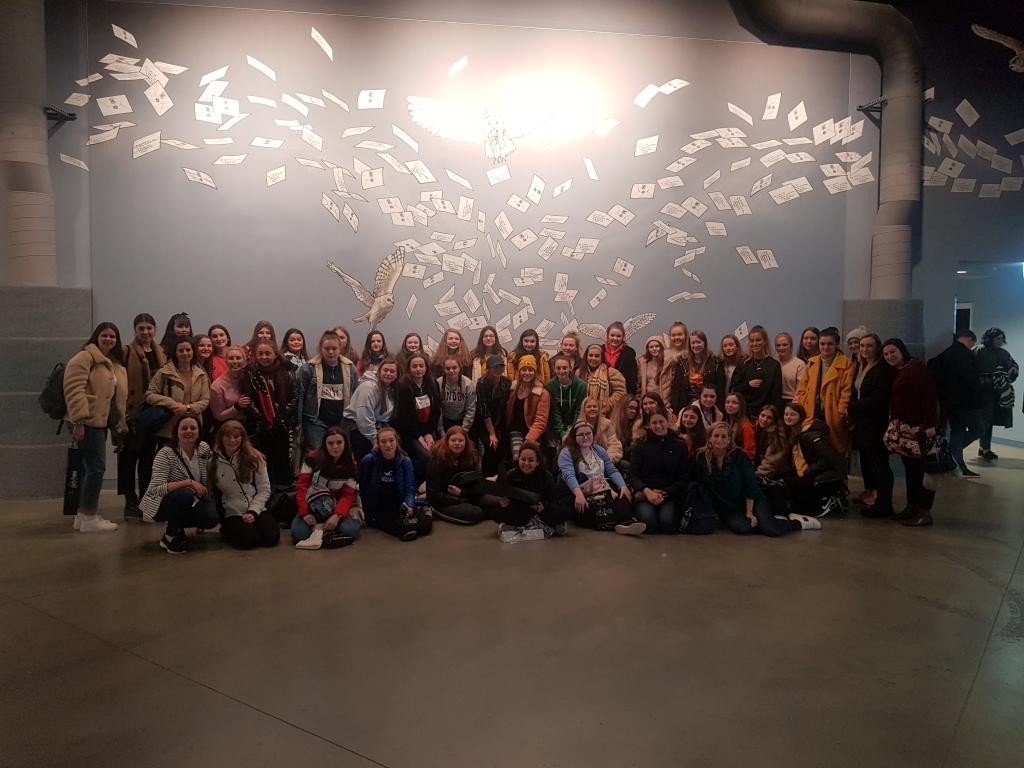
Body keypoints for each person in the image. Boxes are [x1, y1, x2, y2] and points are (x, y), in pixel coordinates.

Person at [692, 422, 820, 536]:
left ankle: (799, 523)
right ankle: (771, 519)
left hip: (752, 500)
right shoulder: (700, 457)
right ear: (709, 438)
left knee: (772, 530)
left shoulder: (739, 456)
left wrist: (749, 512)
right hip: (728, 508)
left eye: (724, 436)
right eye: (716, 436)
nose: (720, 439)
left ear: (729, 439)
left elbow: (750, 485)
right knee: (743, 528)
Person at [64, 322, 128, 533]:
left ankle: (82, 515)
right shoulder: (84, 357)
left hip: (99, 423)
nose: (109, 339)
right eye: (104, 335)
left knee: (90, 468)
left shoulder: (110, 363)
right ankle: (89, 516)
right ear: (96, 337)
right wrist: (79, 421)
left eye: (112, 336)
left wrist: (118, 428)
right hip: (86, 422)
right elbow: (73, 389)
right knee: (96, 468)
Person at [139, 415, 219, 553]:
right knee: (184, 494)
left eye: (193, 428)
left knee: (211, 518)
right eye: (184, 428)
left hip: (194, 499)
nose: (189, 431)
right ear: (176, 431)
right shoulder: (165, 453)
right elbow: (156, 489)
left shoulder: (203, 448)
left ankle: (178, 527)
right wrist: (188, 483)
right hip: (163, 502)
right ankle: (169, 537)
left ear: (199, 432)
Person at [883, 338, 940, 527]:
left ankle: (924, 511)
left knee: (923, 472)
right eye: (886, 354)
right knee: (911, 471)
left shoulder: (916, 368)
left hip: (920, 430)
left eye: (893, 352)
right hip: (905, 431)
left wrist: (930, 424)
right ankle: (911, 506)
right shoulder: (900, 370)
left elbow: (929, 397)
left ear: (902, 350)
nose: (890, 356)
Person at [557, 420, 644, 535]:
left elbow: (612, 470)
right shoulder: (566, 453)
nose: (585, 437)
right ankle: (617, 523)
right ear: (574, 436)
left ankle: (625, 522)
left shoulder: (599, 450)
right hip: (580, 491)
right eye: (581, 434)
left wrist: (622, 486)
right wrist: (578, 494)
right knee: (587, 512)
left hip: (602, 487)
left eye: (588, 434)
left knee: (623, 494)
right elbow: (569, 475)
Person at [119, 313, 166, 519]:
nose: (146, 332)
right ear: (135, 330)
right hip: (132, 413)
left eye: (149, 328)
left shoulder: (161, 352)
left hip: (154, 414)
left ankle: (146, 500)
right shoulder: (126, 351)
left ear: (155, 329)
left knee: (148, 459)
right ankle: (130, 500)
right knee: (128, 459)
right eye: (141, 328)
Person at [209, 420, 279, 550]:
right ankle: (227, 528)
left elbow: (264, 489)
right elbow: (212, 492)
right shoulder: (213, 461)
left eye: (236, 436)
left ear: (242, 438)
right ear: (220, 438)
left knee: (270, 538)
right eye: (227, 436)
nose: (232, 440)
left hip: (256, 506)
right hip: (231, 510)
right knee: (248, 540)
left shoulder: (255, 458)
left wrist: (254, 511)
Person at [847, 333, 895, 516]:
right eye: (862, 346)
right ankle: (873, 496)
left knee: (879, 464)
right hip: (863, 422)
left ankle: (884, 504)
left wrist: (851, 407)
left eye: (869, 346)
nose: (865, 349)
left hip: (876, 423)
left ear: (877, 348)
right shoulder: (862, 366)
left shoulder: (882, 369)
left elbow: (878, 398)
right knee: (867, 461)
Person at [238, 341, 296, 487]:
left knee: (282, 460)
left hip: (282, 424)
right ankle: (265, 491)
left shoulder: (287, 371)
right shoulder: (250, 374)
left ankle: (283, 491)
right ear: (255, 355)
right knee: (263, 462)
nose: (264, 357)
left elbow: (294, 396)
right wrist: (262, 419)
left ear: (275, 354)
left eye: (267, 353)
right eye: (260, 354)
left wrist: (281, 417)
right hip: (259, 426)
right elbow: (247, 401)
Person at [292, 427, 362, 547]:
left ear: (345, 444)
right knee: (299, 534)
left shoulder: (351, 465)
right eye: (330, 443)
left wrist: (337, 515)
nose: (335, 447)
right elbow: (301, 487)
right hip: (312, 506)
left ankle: (323, 529)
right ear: (325, 444)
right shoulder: (312, 459)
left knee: (351, 532)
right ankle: (326, 531)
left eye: (339, 442)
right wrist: (305, 513)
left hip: (336, 506)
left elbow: (347, 495)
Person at [358, 427, 431, 541]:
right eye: (383, 442)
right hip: (380, 506)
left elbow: (409, 488)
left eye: (391, 440)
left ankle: (412, 525)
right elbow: (363, 488)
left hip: (399, 503)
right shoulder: (369, 460)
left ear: (396, 441)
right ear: (378, 444)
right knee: (400, 527)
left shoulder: (405, 461)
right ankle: (407, 528)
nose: (388, 445)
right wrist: (367, 512)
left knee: (426, 525)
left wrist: (409, 505)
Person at [929, 331, 983, 477]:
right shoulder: (966, 355)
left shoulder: (944, 355)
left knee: (957, 431)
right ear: (970, 340)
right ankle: (952, 453)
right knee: (978, 429)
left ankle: (958, 465)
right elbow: (970, 380)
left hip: (949, 402)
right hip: (967, 402)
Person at [488, 442, 570, 537]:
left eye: (531, 460)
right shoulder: (511, 475)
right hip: (521, 512)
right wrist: (505, 504)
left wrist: (544, 507)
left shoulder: (546, 476)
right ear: (518, 459)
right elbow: (509, 501)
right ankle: (538, 526)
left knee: (566, 512)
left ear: (537, 462)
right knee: (495, 513)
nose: (526, 463)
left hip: (541, 513)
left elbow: (554, 501)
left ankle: (525, 526)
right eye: (523, 459)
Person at [296, 330, 359, 451]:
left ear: (340, 349)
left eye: (334, 348)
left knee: (339, 453)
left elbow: (356, 397)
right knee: (318, 453)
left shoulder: (351, 369)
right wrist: (299, 424)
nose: (330, 352)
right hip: (315, 422)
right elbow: (300, 397)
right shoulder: (308, 369)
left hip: (342, 422)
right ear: (321, 348)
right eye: (327, 348)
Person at [794, 326, 853, 454]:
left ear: (836, 344)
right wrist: (803, 406)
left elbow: (846, 391)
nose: (825, 347)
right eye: (822, 344)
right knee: (812, 450)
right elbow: (802, 388)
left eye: (830, 344)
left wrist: (840, 412)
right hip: (812, 413)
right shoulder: (812, 362)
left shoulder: (846, 364)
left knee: (834, 450)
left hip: (832, 413)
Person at [782, 403, 847, 517]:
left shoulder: (811, 435)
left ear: (801, 416)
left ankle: (828, 501)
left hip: (823, 474)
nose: (788, 417)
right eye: (786, 414)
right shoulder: (795, 432)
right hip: (810, 470)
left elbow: (829, 458)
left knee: (792, 484)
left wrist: (808, 471)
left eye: (792, 414)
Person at [630, 411, 689, 534]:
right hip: (646, 494)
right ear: (649, 425)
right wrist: (647, 491)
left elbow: (683, 477)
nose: (658, 426)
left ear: (668, 422)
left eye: (661, 421)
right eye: (654, 423)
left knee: (668, 524)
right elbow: (633, 476)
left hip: (669, 494)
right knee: (649, 524)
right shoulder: (640, 446)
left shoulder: (680, 445)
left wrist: (666, 492)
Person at [145, 335, 211, 442]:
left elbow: (205, 400)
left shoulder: (201, 374)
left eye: (188, 350)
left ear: (193, 351)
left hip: (192, 427)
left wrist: (187, 408)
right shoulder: (164, 372)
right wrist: (170, 403)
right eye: (181, 350)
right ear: (175, 353)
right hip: (168, 428)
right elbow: (150, 395)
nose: (185, 353)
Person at [390, 352, 442, 481]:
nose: (418, 369)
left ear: (426, 368)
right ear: (409, 368)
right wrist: (420, 436)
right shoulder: (403, 386)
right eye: (414, 366)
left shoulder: (432, 383)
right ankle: (413, 482)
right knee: (426, 457)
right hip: (410, 432)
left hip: (428, 429)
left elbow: (436, 410)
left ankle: (429, 484)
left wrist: (429, 433)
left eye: (421, 366)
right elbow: (404, 418)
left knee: (437, 455)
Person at [426, 426, 488, 524]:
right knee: (475, 513)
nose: (457, 443)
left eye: (461, 440)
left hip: (465, 495)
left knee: (493, 502)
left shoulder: (471, 457)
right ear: (447, 441)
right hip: (443, 502)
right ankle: (436, 512)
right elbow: (433, 495)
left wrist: (462, 493)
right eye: (453, 440)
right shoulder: (436, 460)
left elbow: (478, 485)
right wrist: (461, 499)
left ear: (466, 442)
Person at [975, 327, 1019, 461]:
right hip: (982, 392)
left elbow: (1013, 365)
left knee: (989, 420)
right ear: (990, 339)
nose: (1000, 341)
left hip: (998, 392)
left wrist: (1013, 370)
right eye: (997, 339)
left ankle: (984, 447)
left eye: (1001, 339)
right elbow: (971, 368)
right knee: (984, 420)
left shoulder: (1003, 353)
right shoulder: (979, 350)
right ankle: (984, 447)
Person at [345, 357, 399, 458]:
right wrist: (375, 440)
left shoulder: (391, 389)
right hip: (358, 427)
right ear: (379, 371)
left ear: (397, 375)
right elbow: (363, 418)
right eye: (385, 370)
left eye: (392, 371)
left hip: (378, 426)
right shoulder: (369, 387)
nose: (388, 373)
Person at [505, 355, 551, 460]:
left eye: (530, 370)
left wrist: (529, 440)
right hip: (515, 431)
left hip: (533, 432)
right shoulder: (513, 388)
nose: (527, 373)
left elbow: (541, 421)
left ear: (535, 372)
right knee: (517, 457)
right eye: (524, 370)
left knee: (529, 457)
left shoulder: (542, 393)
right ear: (519, 371)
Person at [472, 355, 512, 476]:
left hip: (500, 421)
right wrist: (492, 433)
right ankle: (487, 476)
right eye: (495, 367)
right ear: (488, 369)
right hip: (484, 422)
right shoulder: (481, 383)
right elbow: (483, 409)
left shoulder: (507, 382)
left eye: (501, 367)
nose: (498, 369)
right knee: (490, 446)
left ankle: (500, 478)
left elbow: (505, 408)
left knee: (503, 448)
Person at [730, 325, 782, 413]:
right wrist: (748, 385)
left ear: (765, 341)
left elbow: (776, 395)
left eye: (758, 340)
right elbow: (733, 389)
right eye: (752, 341)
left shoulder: (774, 365)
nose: (755, 343)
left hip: (765, 414)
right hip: (744, 412)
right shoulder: (743, 364)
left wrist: (773, 413)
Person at [669, 330, 723, 412]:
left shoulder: (716, 363)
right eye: (693, 343)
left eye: (698, 342)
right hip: (686, 406)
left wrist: (719, 410)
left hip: (708, 407)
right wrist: (674, 409)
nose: (695, 345)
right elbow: (676, 388)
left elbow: (720, 389)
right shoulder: (682, 362)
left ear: (704, 343)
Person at [546, 356, 588, 444]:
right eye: (558, 368)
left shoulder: (581, 386)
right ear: (554, 369)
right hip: (556, 427)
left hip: (575, 425)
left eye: (565, 368)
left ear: (570, 368)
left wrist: (571, 431)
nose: (561, 371)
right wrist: (562, 434)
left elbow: (579, 410)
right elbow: (554, 412)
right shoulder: (549, 386)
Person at [578, 343, 627, 416]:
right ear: (586, 357)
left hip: (606, 416)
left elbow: (620, 393)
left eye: (597, 356)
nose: (593, 358)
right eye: (591, 355)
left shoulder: (612, 373)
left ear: (602, 358)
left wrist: (605, 405)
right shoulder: (579, 373)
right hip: (583, 415)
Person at [209, 347, 251, 425]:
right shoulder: (217, 386)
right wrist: (237, 407)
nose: (235, 361)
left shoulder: (250, 378)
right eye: (231, 358)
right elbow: (218, 416)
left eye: (238, 358)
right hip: (230, 425)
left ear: (244, 360)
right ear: (226, 361)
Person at [438, 356, 477, 431]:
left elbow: (470, 409)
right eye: (448, 368)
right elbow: (438, 410)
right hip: (444, 422)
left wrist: (464, 430)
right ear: (443, 370)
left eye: (454, 368)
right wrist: (441, 431)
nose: (451, 371)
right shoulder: (438, 383)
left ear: (459, 368)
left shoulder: (468, 384)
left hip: (462, 422)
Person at [579, 396, 623, 463]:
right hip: (584, 461)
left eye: (595, 406)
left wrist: (606, 460)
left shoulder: (607, 424)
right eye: (589, 407)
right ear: (583, 409)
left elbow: (615, 445)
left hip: (605, 460)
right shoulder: (578, 426)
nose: (592, 409)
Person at [603, 322, 638, 395]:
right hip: (601, 392)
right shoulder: (600, 350)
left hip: (622, 393)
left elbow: (632, 378)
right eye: (612, 335)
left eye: (618, 336)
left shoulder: (629, 353)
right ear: (607, 335)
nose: (615, 338)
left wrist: (630, 396)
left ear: (623, 337)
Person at [637, 335, 672, 402]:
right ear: (647, 349)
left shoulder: (668, 363)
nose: (654, 349)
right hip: (647, 400)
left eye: (657, 346)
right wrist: (639, 400)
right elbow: (639, 384)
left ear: (662, 347)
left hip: (664, 401)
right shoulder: (643, 364)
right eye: (651, 347)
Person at [774, 331, 806, 404]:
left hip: (792, 402)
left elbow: (800, 390)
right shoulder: (773, 363)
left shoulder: (800, 364)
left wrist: (793, 406)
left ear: (791, 346)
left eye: (785, 345)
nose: (781, 348)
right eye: (778, 345)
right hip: (774, 401)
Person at [723, 392, 756, 460]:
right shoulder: (725, 422)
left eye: (734, 403)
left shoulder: (746, 426)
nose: (730, 405)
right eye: (727, 402)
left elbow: (750, 453)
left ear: (741, 406)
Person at [612, 395, 641, 462]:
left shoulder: (637, 428)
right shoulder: (611, 427)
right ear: (622, 408)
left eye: (636, 409)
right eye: (631, 407)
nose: (633, 411)